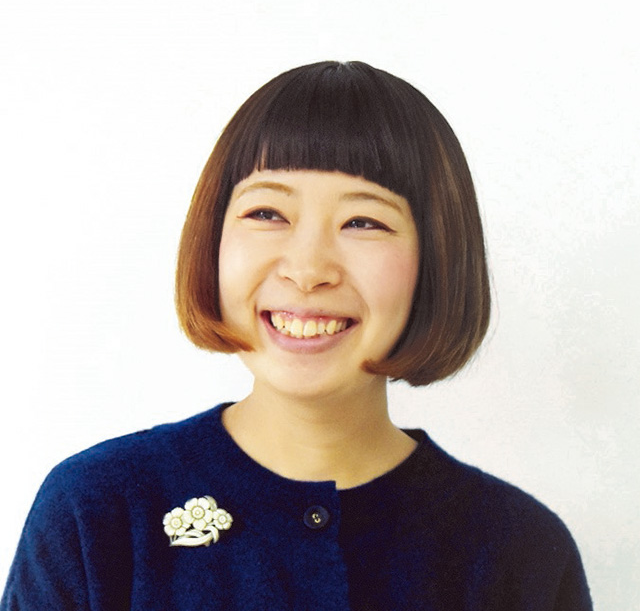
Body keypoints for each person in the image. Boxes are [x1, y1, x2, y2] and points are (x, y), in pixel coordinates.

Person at [1, 61, 592, 610]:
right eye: (267, 214)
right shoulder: (95, 512)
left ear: (436, 261)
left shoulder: (521, 551)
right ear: (213, 240)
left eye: (364, 221)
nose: (308, 269)